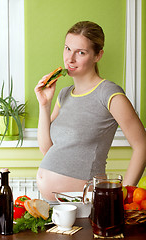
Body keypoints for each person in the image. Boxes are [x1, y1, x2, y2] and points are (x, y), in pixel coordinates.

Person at [34, 21, 146, 201]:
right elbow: (47, 149)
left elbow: (142, 145)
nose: (70, 59)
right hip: (54, 207)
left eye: (81, 52)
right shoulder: (64, 94)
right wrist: (44, 105)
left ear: (97, 55)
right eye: (67, 48)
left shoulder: (109, 93)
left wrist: (121, 197)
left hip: (85, 206)